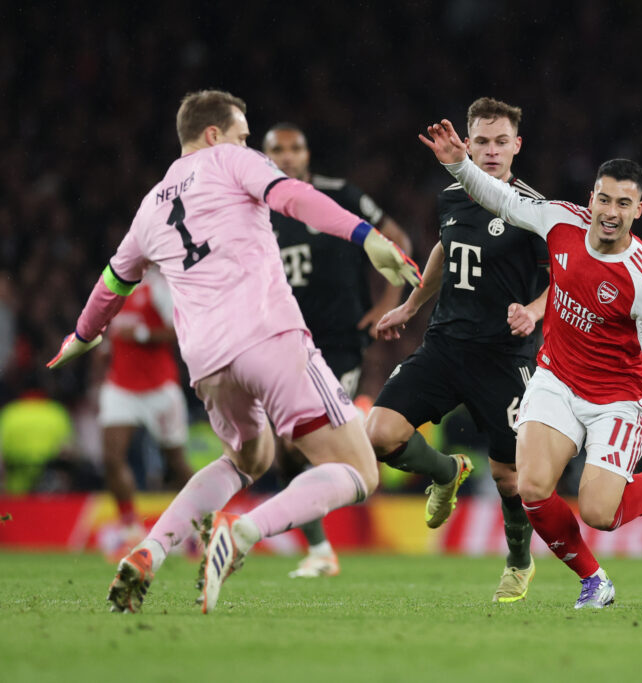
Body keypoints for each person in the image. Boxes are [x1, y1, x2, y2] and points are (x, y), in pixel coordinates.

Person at [47, 89, 421, 614]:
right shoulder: (233, 159)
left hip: (207, 364)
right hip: (270, 337)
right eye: (245, 135)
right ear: (214, 134)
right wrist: (365, 236)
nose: (253, 145)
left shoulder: (149, 207)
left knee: (250, 457)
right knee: (361, 471)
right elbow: (293, 197)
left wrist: (82, 336)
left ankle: (150, 547)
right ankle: (242, 531)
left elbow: (113, 281)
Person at [420, 119, 642, 609]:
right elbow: (501, 198)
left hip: (616, 400)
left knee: (601, 512)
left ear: (638, 210)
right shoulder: (560, 220)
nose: (610, 211)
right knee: (531, 486)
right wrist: (458, 163)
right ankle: (594, 580)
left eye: (624, 203)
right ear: (592, 198)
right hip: (556, 379)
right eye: (604, 199)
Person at [367, 98, 549, 603]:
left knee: (510, 478)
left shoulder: (535, 209)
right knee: (379, 434)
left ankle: (518, 562)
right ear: (468, 145)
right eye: (482, 142)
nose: (491, 152)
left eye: (501, 142)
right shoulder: (451, 197)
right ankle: (447, 472)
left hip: (505, 358)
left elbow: (563, 281)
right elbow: (447, 252)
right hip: (445, 345)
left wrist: (534, 311)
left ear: (517, 145)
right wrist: (409, 306)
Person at [264, 123, 413, 579]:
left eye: (296, 148)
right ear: (265, 158)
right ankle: (321, 550)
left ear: (307, 154)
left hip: (341, 343)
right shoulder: (257, 207)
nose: (288, 157)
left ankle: (440, 469)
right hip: (286, 343)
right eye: (278, 151)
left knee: (333, 442)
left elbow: (400, 242)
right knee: (290, 452)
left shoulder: (339, 194)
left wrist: (389, 303)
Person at [97, 269, 192, 559]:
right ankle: (130, 531)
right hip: (121, 386)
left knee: (174, 460)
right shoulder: (114, 288)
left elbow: (180, 329)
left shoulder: (158, 288)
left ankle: (193, 529)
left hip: (159, 388)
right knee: (112, 458)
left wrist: (139, 333)